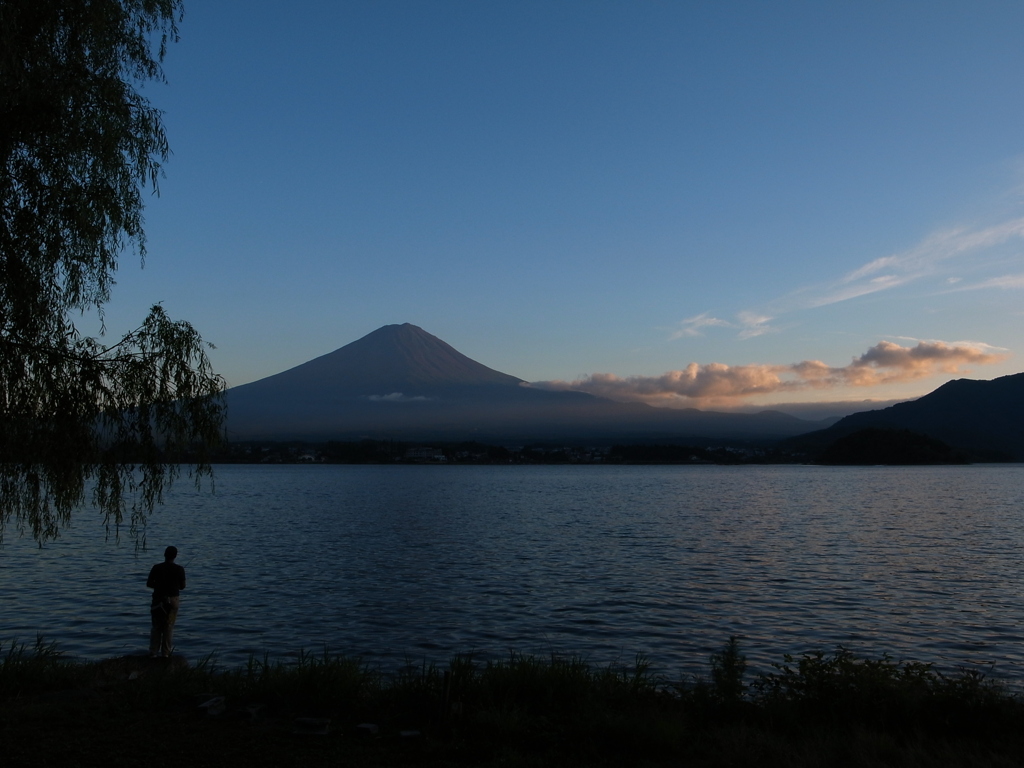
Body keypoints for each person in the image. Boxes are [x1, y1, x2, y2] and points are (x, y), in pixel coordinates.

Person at [147, 546, 186, 658]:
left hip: (158, 600)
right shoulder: (180, 569)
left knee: (156, 626)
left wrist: (159, 586)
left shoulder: (156, 567)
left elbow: (149, 583)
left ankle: (153, 652)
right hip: (173, 601)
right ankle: (166, 654)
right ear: (175, 556)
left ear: (164, 554)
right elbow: (183, 586)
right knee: (169, 627)